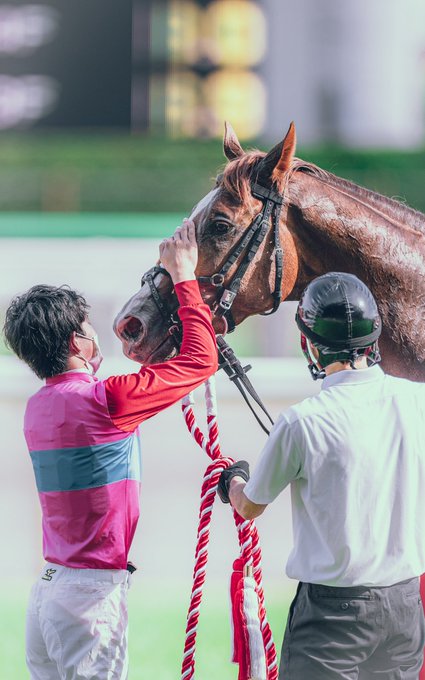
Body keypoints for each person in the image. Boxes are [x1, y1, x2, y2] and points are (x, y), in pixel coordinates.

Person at [3, 219, 218, 680]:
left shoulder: (38, 407)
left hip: (48, 594)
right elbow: (202, 361)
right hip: (89, 599)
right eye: (88, 327)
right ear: (77, 342)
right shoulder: (108, 399)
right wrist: (184, 276)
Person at [218, 272, 425, 680]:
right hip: (404, 607)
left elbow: (250, 506)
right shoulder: (416, 400)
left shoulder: (300, 421)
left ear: (309, 345)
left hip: (332, 616)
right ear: (373, 337)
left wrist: (233, 481)